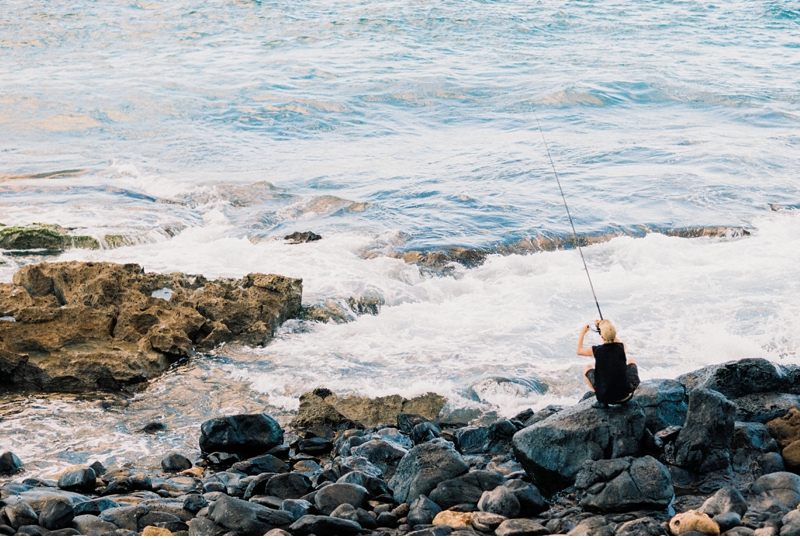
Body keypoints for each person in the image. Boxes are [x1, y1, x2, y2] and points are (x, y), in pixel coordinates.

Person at [577, 319, 639, 408]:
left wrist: (582, 332)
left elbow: (579, 351)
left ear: (602, 336)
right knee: (632, 361)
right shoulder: (622, 347)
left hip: (605, 397)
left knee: (587, 367)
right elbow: (615, 339)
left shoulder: (596, 350)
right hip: (626, 396)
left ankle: (601, 400)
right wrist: (605, 328)